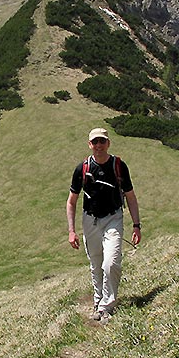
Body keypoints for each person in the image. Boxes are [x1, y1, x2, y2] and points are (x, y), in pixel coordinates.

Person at [66, 127, 141, 324]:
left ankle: (107, 306)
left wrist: (136, 225)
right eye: (95, 142)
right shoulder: (82, 168)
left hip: (113, 218)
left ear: (108, 143)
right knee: (96, 263)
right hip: (90, 220)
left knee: (111, 262)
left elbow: (131, 197)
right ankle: (98, 301)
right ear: (90, 145)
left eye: (102, 141)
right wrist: (72, 231)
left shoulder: (118, 166)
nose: (99, 145)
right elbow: (71, 201)